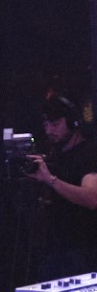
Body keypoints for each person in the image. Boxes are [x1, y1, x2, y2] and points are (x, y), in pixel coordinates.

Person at [25, 92, 97, 279]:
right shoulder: (52, 154)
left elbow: (91, 197)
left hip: (81, 251)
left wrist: (50, 179)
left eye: (55, 124)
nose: (49, 130)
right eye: (46, 124)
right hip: (52, 249)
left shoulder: (89, 153)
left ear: (73, 123)